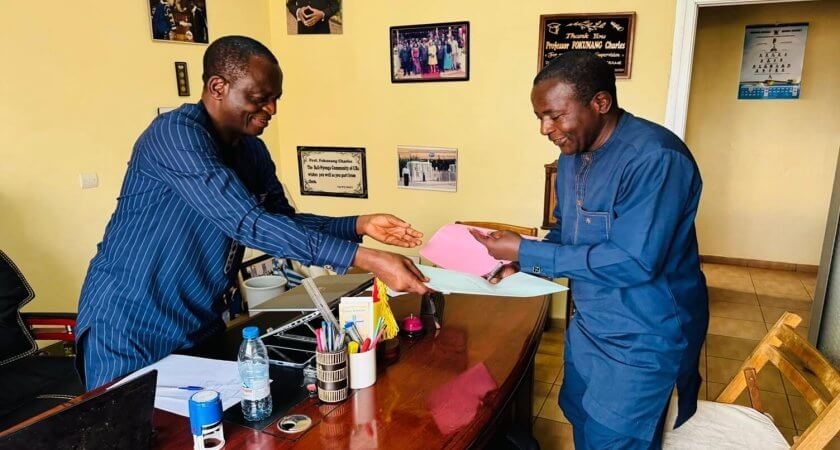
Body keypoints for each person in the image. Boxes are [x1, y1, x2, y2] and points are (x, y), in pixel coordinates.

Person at [76, 36, 430, 391]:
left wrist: (358, 225)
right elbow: (246, 221)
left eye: (275, 99)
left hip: (198, 322)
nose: (272, 109)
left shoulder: (253, 152)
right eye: (260, 98)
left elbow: (280, 222)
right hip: (131, 323)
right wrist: (364, 258)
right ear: (218, 86)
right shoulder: (174, 135)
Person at [472, 51, 708, 449]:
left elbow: (635, 261)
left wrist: (529, 251)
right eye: (540, 117)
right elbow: (568, 231)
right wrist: (521, 263)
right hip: (589, 327)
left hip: (642, 336)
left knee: (612, 438)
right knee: (580, 415)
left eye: (555, 115)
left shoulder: (656, 158)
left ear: (600, 103)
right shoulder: (572, 154)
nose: (545, 129)